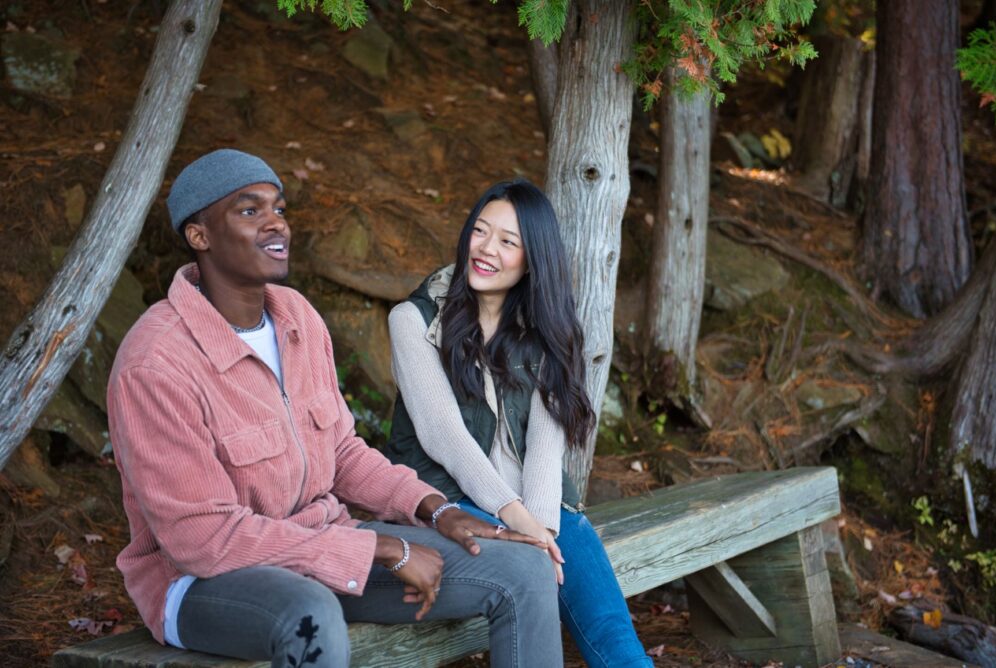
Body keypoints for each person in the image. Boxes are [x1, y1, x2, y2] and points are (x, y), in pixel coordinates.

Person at [107, 150, 563, 668]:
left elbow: (342, 451)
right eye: (249, 211)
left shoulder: (296, 317)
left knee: (524, 571)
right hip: (201, 584)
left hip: (327, 546)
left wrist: (437, 509)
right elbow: (202, 539)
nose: (275, 223)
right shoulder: (156, 363)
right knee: (310, 612)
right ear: (200, 236)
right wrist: (381, 550)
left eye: (279, 208)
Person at [385, 179, 653, 667]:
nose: (486, 249)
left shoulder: (543, 328)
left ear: (532, 260)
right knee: (533, 576)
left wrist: (544, 527)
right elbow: (444, 436)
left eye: (508, 241)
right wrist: (520, 522)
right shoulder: (414, 319)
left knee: (614, 635)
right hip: (452, 502)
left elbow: (547, 446)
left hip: (536, 507)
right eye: (480, 232)